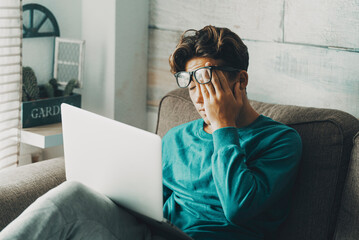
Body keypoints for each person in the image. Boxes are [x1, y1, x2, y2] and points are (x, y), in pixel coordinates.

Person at [0, 25, 302, 240]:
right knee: (74, 196)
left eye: (206, 79)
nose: (198, 96)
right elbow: (149, 204)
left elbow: (239, 208)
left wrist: (224, 126)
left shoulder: (281, 141)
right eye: (191, 83)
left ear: (241, 80)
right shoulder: (176, 138)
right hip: (154, 233)